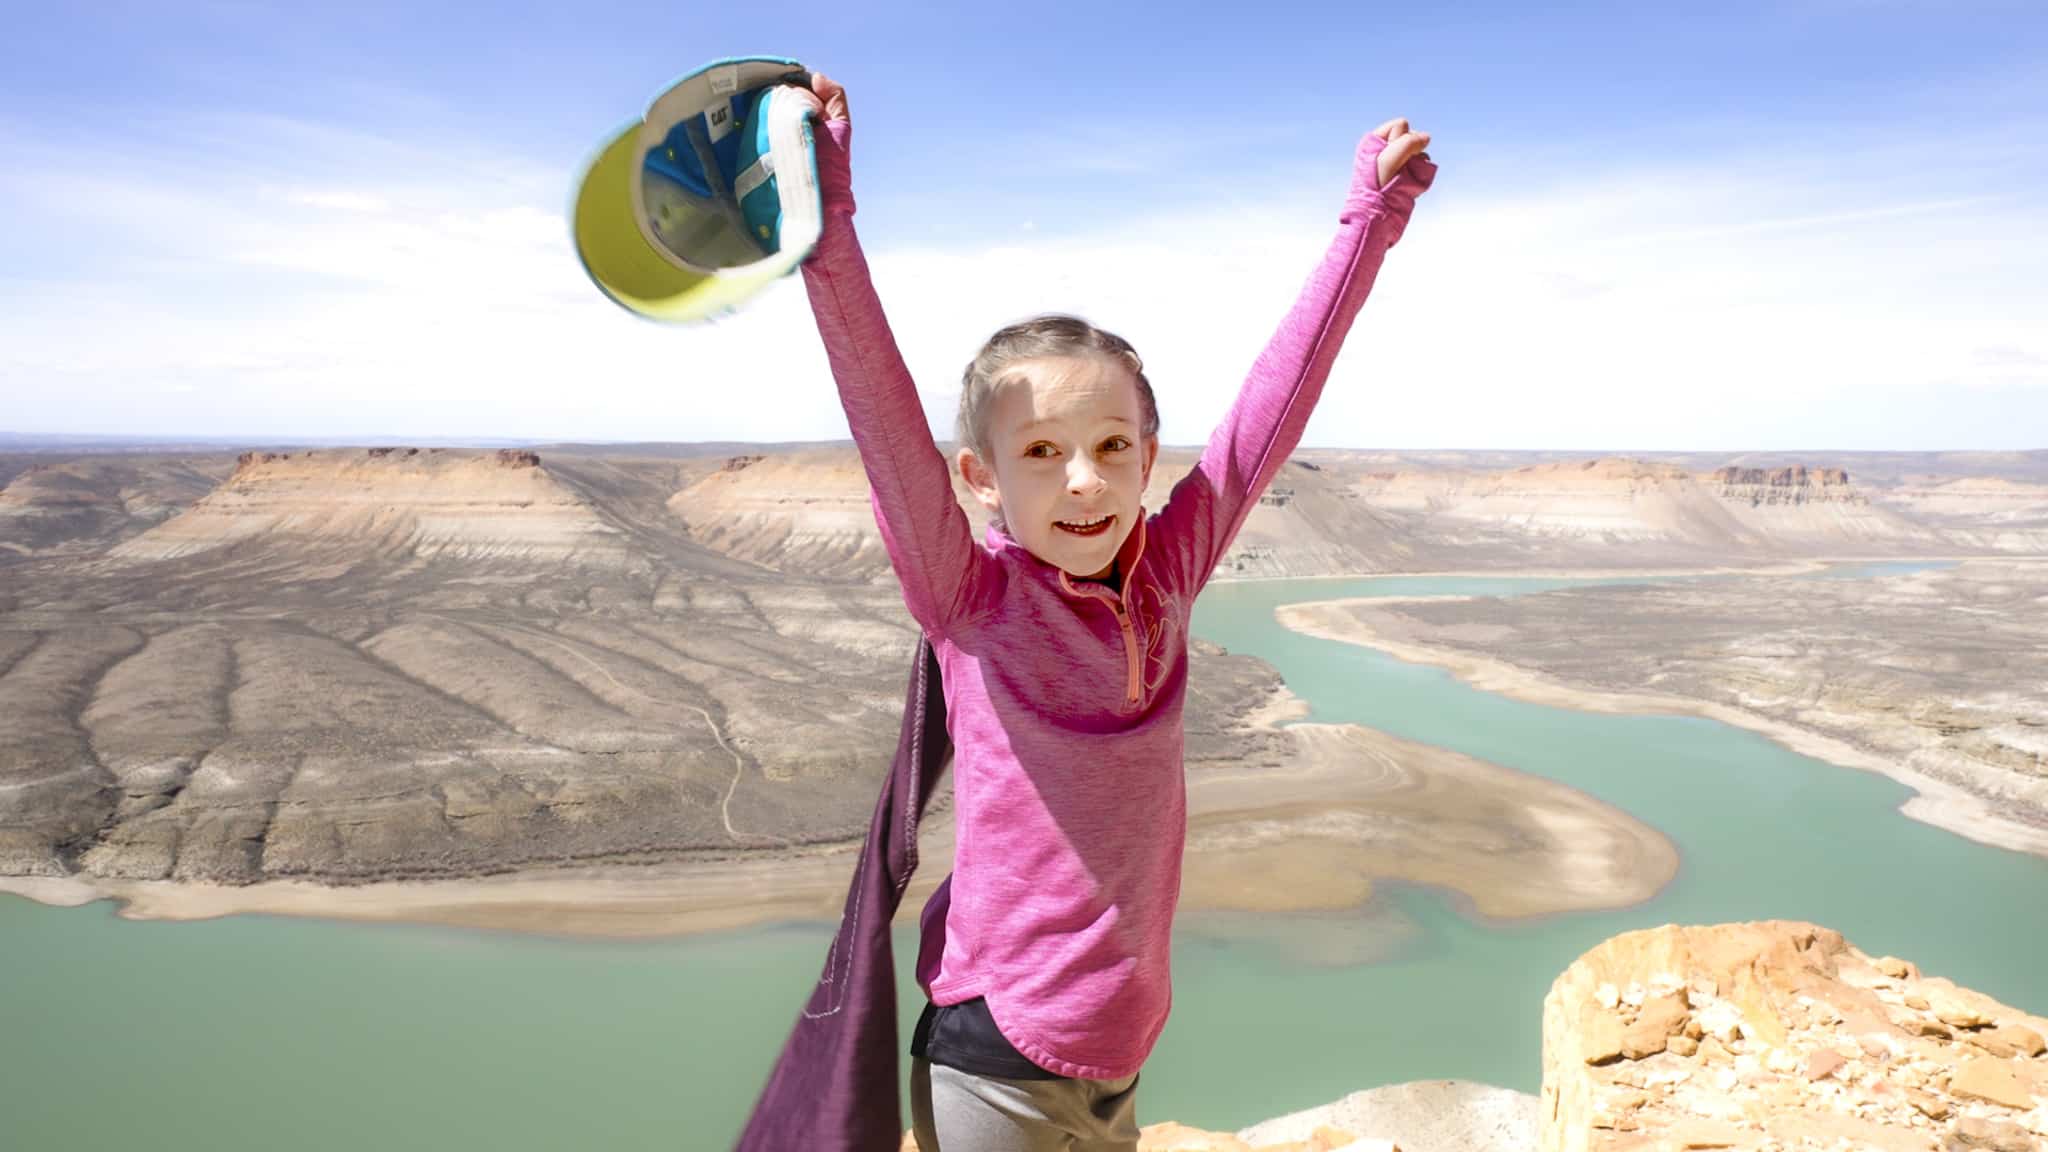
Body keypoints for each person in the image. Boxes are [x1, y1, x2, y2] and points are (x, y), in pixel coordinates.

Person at [797, 71, 1435, 1152]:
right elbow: (879, 413)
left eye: (1109, 448)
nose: (1082, 481)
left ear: (1146, 455)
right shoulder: (975, 600)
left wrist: (1366, 226)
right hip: (996, 1057)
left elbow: (1267, 418)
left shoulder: (1165, 574)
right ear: (982, 476)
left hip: (1120, 1051)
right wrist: (827, 230)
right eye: (1039, 454)